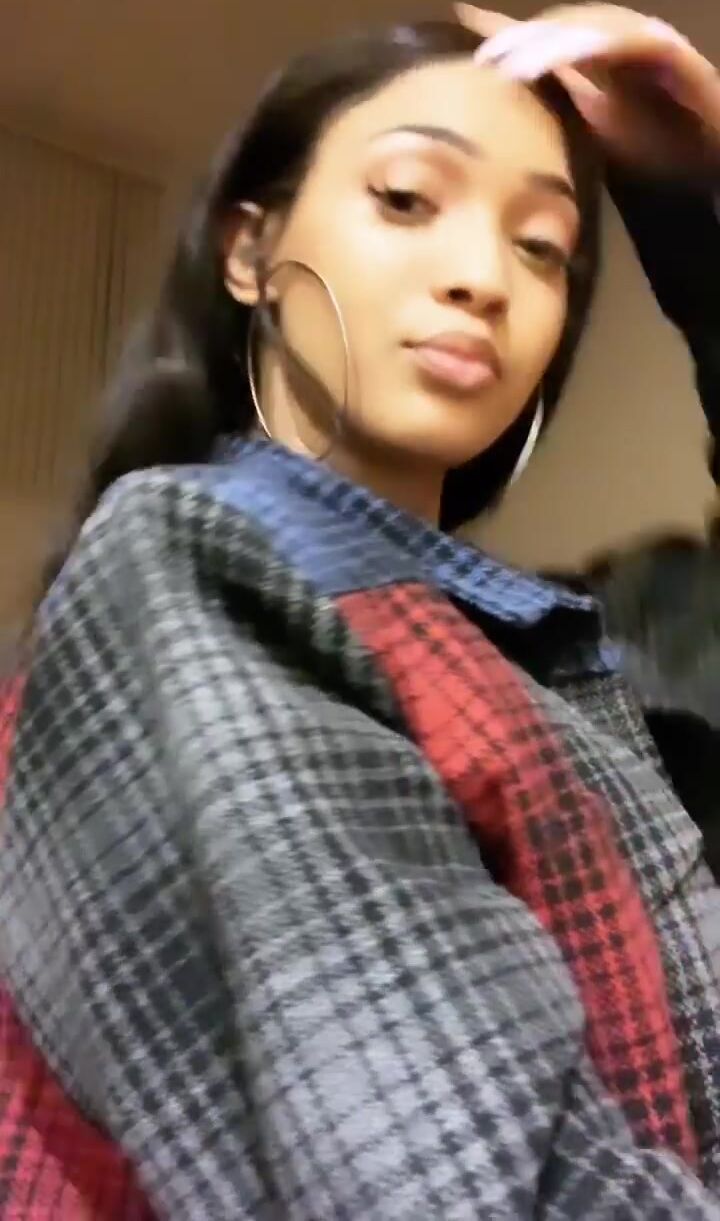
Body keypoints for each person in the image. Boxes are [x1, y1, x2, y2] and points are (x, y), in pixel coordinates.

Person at [2, 6, 720, 1217]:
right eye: (405, 199)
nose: (482, 277)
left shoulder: (549, 659)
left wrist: (697, 205)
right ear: (250, 251)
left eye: (543, 247)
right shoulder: (192, 562)